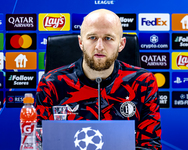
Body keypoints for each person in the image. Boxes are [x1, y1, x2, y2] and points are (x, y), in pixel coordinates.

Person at [36, 9, 161, 149]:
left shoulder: (143, 82)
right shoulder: (51, 84)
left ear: (121, 44)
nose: (99, 47)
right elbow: (40, 144)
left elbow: (150, 145)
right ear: (81, 42)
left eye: (108, 38)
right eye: (92, 37)